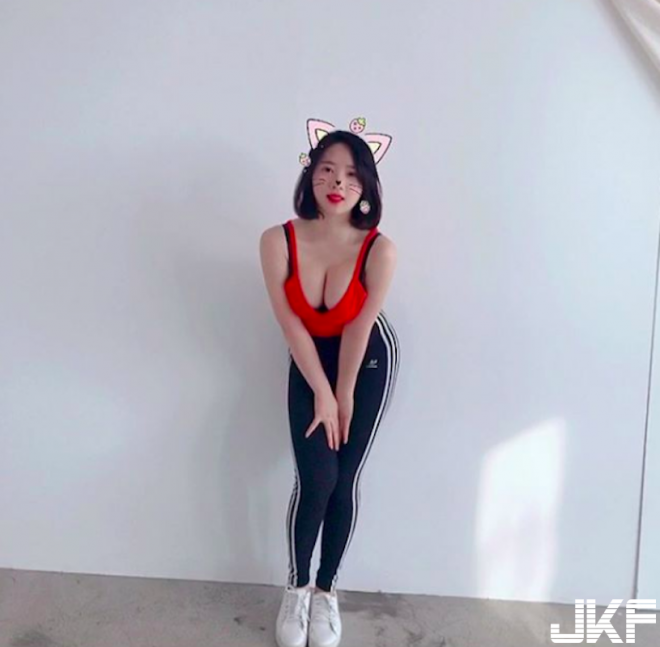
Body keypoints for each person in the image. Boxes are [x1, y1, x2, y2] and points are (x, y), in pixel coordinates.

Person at [259, 129, 400, 647]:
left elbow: (360, 327)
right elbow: (290, 323)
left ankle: (327, 591)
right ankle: (297, 590)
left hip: (368, 362)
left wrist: (344, 395)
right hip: (309, 360)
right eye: (327, 170)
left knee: (344, 480)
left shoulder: (379, 249)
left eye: (352, 174)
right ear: (310, 175)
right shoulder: (277, 240)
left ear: (367, 186)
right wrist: (321, 391)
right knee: (316, 478)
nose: (338, 183)